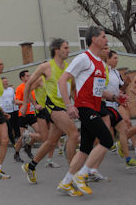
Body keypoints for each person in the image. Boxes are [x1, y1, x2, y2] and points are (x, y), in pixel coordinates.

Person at [58, 27, 117, 197]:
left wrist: (114, 96)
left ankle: (66, 181)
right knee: (107, 139)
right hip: (84, 107)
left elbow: (97, 91)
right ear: (94, 39)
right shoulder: (84, 58)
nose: (106, 40)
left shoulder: (99, 62)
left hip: (95, 107)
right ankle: (82, 175)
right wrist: (69, 105)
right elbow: (63, 80)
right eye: (103, 37)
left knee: (85, 149)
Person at [21, 38, 79, 188]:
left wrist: (75, 105)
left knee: (51, 141)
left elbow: (72, 89)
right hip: (52, 108)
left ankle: (31, 166)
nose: (68, 50)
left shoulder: (68, 68)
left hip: (64, 107)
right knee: (73, 134)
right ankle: (72, 176)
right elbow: (28, 84)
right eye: (65, 48)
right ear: (56, 49)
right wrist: (26, 104)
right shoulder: (45, 67)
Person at [104, 51, 136, 171]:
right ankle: (82, 149)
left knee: (124, 128)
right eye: (115, 58)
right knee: (102, 137)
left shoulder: (116, 73)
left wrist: (125, 84)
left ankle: (128, 159)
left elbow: (120, 90)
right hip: (103, 106)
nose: (117, 60)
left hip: (114, 105)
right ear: (108, 59)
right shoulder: (103, 71)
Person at [14, 70, 41, 161]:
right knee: (23, 137)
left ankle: (28, 147)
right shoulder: (20, 87)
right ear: (22, 78)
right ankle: (16, 154)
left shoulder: (31, 87)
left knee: (40, 132)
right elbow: (16, 101)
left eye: (29, 76)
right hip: (23, 114)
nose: (29, 77)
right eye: (27, 76)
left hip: (32, 114)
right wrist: (24, 102)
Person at [1, 77, 17, 147]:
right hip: (4, 111)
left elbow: (14, 98)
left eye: (7, 81)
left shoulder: (11, 89)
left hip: (12, 110)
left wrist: (15, 101)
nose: (6, 83)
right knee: (8, 127)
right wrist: (2, 111)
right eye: (4, 81)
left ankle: (14, 140)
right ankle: (12, 142)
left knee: (14, 125)